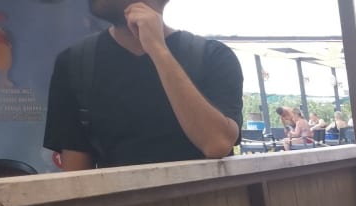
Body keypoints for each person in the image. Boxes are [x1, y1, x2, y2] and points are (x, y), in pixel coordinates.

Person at [43, 0, 241, 170]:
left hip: (202, 201)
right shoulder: (74, 63)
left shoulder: (211, 56)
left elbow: (217, 143)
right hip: (118, 204)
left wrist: (157, 49)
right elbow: (76, 179)